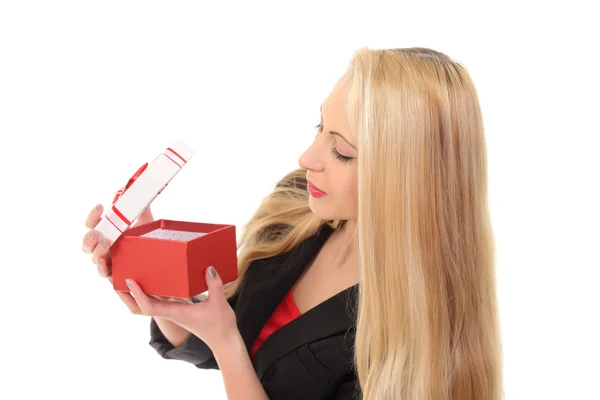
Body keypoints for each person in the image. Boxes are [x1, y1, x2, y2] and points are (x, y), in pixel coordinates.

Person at [82, 46, 504, 400]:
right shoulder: (297, 208)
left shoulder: (416, 339)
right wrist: (153, 266)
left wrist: (226, 342)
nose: (308, 158)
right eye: (320, 126)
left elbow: (230, 343)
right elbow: (222, 333)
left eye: (341, 150)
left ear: (405, 178)